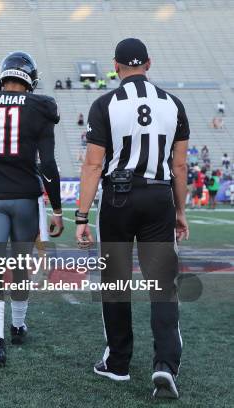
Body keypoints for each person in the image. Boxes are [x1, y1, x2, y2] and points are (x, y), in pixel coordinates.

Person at [75, 38, 189, 399]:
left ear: (115, 65)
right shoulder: (173, 104)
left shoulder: (105, 103)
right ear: (149, 64)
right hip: (158, 196)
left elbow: (94, 164)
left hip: (118, 198)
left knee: (115, 282)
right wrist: (180, 210)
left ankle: (119, 363)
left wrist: (80, 215)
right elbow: (180, 164)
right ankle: (165, 365)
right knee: (163, 285)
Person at [0, 52, 63, 367]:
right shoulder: (41, 108)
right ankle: (17, 325)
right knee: (20, 266)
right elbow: (47, 165)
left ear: (3, 76)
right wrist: (57, 209)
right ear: (30, 79)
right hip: (24, 198)